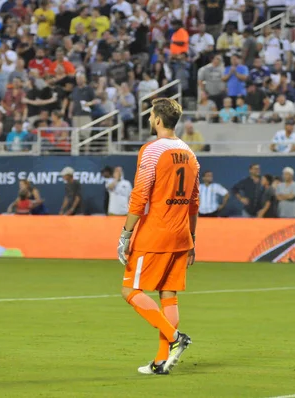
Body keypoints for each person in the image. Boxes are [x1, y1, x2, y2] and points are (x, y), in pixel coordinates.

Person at [117, 98, 198, 375]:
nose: (150, 120)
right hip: (181, 235)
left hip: (155, 233)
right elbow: (194, 201)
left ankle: (176, 339)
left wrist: (126, 234)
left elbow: (140, 196)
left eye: (151, 116)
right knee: (169, 295)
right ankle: (161, 361)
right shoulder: (189, 153)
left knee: (130, 290)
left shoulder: (152, 150)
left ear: (158, 120)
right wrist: (193, 239)